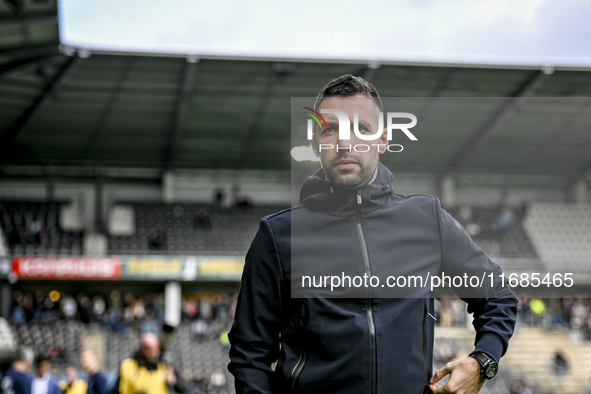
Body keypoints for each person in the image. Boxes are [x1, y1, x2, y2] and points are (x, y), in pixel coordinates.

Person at [228, 74, 518, 393]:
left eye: (361, 129)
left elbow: (497, 295)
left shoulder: (427, 218)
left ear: (383, 140)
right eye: (330, 129)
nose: (344, 143)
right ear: (315, 144)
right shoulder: (278, 235)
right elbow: (249, 356)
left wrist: (482, 361)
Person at [110, 333, 185, 394]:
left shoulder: (165, 367)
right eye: (150, 349)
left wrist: (174, 382)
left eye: (156, 348)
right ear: (142, 349)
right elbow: (115, 391)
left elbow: (184, 389)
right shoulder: (128, 366)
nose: (154, 353)